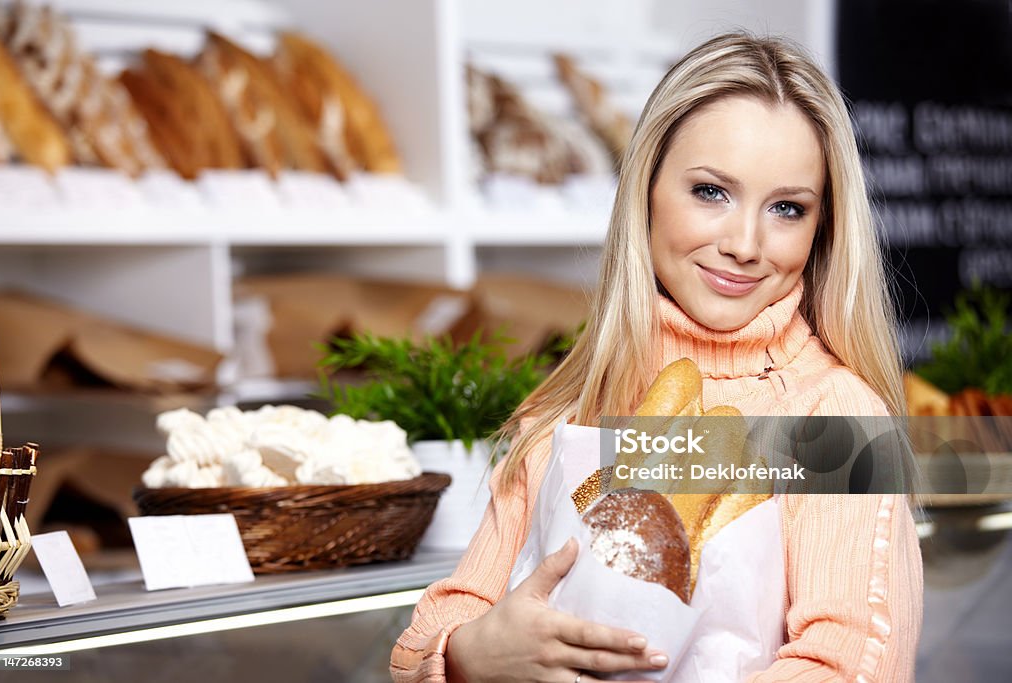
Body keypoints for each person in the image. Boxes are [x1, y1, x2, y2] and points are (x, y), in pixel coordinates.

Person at [391, 31, 923, 682]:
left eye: (787, 207)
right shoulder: (576, 399)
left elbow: (848, 665)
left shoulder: (837, 416)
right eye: (711, 192)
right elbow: (428, 637)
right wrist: (472, 652)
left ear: (822, 230)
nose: (746, 243)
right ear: (646, 188)